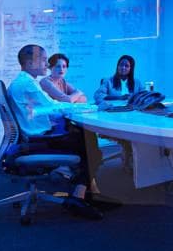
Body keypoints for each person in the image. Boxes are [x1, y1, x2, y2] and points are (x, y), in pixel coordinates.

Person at [7, 44, 103, 220]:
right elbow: (55, 106)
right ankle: (79, 196)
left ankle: (85, 192)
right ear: (30, 63)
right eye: (44, 60)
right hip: (36, 140)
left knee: (83, 136)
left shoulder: (23, 82)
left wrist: (79, 105)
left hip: (31, 137)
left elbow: (52, 106)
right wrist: (93, 107)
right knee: (89, 142)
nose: (47, 64)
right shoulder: (28, 84)